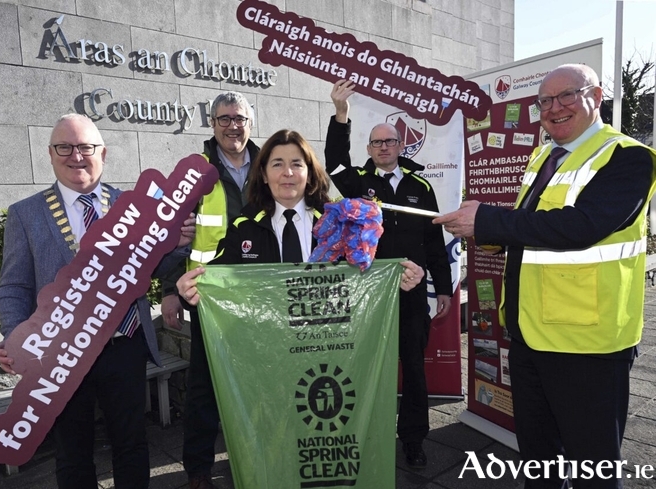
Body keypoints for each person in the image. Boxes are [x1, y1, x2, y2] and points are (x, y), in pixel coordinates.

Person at [434, 64, 656, 488]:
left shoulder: (628, 157)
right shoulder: (544, 155)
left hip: (588, 344)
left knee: (593, 467)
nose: (554, 108)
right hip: (529, 334)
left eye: (567, 96)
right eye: (544, 102)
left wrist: (492, 223)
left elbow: (581, 227)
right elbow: (530, 224)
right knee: (539, 460)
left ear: (598, 95)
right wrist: (489, 233)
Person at [0, 114, 196, 489]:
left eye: (85, 147)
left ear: (103, 152)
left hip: (125, 346)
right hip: (60, 356)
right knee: (72, 452)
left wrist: (178, 244)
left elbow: (153, 267)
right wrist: (14, 336)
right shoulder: (26, 213)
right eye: (64, 147)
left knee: (132, 443)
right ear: (51, 155)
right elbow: (13, 287)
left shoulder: (134, 206)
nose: (76, 156)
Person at [325, 80, 453, 468]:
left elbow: (434, 241)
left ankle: (413, 440)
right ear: (369, 149)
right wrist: (340, 114)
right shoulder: (357, 183)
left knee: (413, 369)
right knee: (366, 368)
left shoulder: (420, 186)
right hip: (367, 293)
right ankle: (364, 436)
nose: (383, 147)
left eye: (390, 142)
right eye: (377, 143)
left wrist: (443, 288)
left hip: (412, 295)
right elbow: (332, 159)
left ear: (401, 146)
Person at [176, 128, 425, 303]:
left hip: (328, 348)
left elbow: (369, 277)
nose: (288, 173)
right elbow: (215, 282)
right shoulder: (245, 227)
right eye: (277, 164)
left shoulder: (340, 223)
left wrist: (400, 279)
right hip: (269, 351)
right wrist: (189, 293)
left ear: (309, 173)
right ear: (263, 175)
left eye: (297, 163)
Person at [159, 91, 261, 489]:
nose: (232, 126)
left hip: (259, 294)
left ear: (250, 122)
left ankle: (254, 454)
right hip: (208, 295)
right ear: (212, 123)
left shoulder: (269, 164)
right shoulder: (194, 170)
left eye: (239, 118)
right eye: (224, 118)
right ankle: (198, 469)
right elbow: (173, 234)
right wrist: (170, 290)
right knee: (205, 383)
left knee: (258, 379)